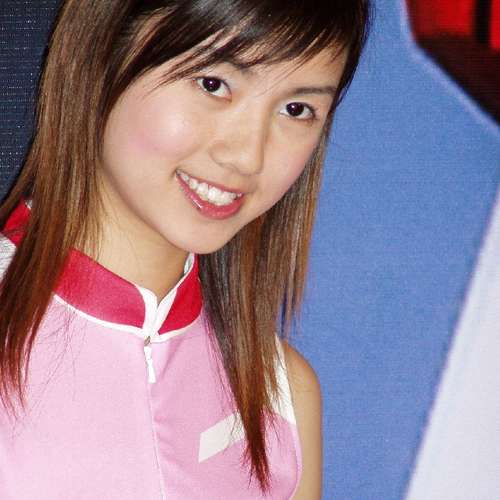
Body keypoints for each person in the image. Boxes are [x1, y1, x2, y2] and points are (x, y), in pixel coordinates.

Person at [0, 1, 370, 498]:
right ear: (101, 52)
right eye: (213, 83)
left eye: (296, 109)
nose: (247, 155)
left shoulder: (280, 394)